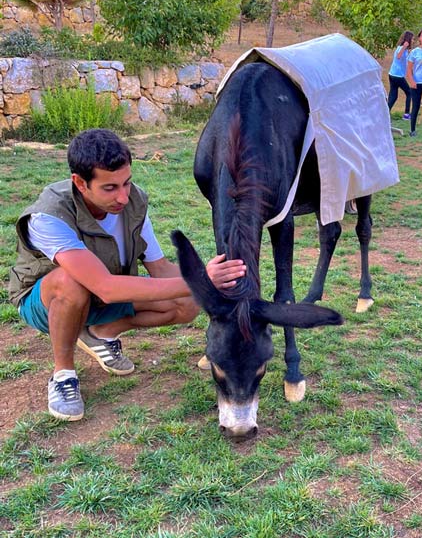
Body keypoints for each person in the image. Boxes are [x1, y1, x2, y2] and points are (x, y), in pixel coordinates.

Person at [8, 128, 246, 422]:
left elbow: (159, 269)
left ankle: (100, 334)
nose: (122, 197)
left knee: (187, 302)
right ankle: (63, 375)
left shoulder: (134, 203)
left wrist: (214, 291)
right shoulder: (48, 217)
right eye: (110, 188)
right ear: (80, 183)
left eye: (127, 183)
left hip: (101, 297)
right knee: (71, 283)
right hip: (44, 303)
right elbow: (104, 287)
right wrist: (201, 281)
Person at [387, 30, 414, 120]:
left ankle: (385, 113)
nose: (413, 41)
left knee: (393, 96)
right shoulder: (401, 48)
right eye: (412, 39)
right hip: (397, 76)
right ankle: (406, 115)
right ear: (408, 39)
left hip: (392, 74)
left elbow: (406, 64)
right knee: (409, 93)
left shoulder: (405, 50)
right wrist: (404, 47)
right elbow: (398, 56)